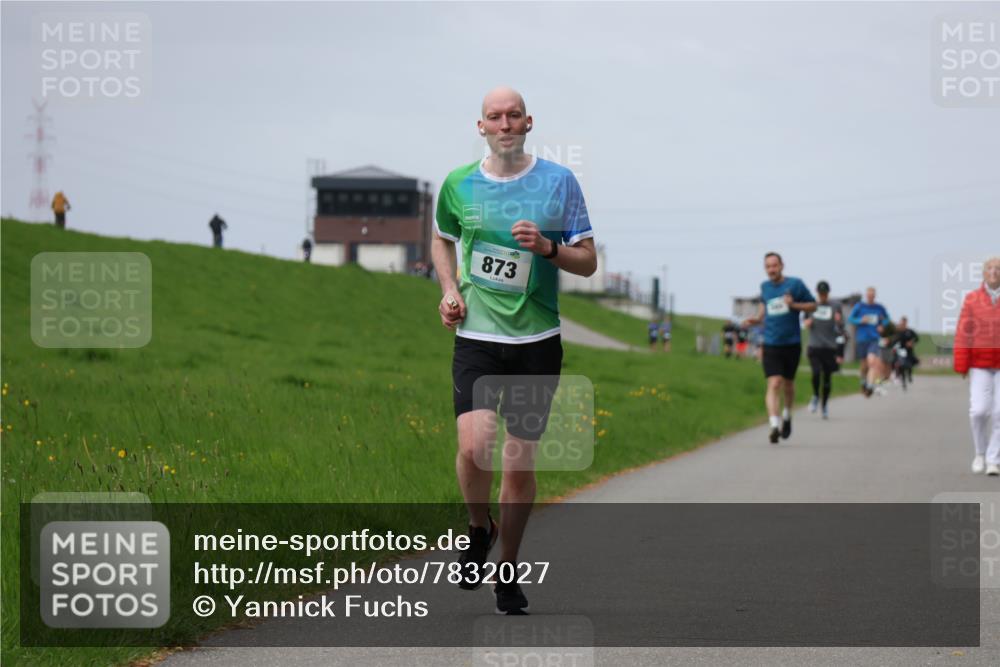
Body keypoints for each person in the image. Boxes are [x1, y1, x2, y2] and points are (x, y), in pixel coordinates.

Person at [431, 86, 597, 613]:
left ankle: (507, 569)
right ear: (480, 126)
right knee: (474, 446)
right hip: (477, 337)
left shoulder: (559, 182)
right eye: (493, 117)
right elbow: (441, 239)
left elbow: (588, 261)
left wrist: (548, 248)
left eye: (513, 116)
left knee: (519, 468)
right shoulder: (458, 184)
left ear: (528, 123)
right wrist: (450, 291)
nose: (504, 124)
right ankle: (479, 528)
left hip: (537, 342)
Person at [742, 252, 816, 443]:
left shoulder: (795, 284)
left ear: (782, 265)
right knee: (774, 383)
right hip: (771, 343)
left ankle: (787, 416)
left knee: (788, 385)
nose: (771, 270)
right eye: (768, 266)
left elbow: (813, 306)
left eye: (774, 266)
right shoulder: (764, 287)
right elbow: (763, 311)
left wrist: (794, 305)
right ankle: (774, 425)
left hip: (791, 343)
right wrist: (756, 320)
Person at [954, 256, 1000, 476]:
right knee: (979, 411)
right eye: (990, 268)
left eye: (998, 269)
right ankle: (980, 453)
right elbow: (964, 332)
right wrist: (962, 364)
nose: (994, 272)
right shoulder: (972, 299)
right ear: (983, 273)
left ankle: (993, 459)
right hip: (980, 363)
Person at [803, 281, 843, 419]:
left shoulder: (836, 305)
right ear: (817, 293)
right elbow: (805, 322)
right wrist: (807, 323)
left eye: (825, 294)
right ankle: (815, 396)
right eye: (820, 294)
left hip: (829, 347)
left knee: (827, 378)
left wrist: (838, 321)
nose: (823, 296)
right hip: (814, 345)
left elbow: (841, 325)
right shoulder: (811, 305)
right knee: (815, 373)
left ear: (828, 293)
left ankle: (824, 405)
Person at [848, 287, 890, 397]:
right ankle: (863, 383)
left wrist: (882, 325)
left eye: (872, 295)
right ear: (866, 296)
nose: (871, 297)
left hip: (874, 339)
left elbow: (887, 319)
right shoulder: (860, 306)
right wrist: (860, 320)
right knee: (864, 365)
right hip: (862, 338)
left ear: (874, 296)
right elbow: (850, 319)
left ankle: (870, 386)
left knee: (872, 362)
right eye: (869, 295)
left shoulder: (879, 308)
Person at [893, 316, 920, 387]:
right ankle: (898, 376)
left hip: (909, 351)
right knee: (898, 363)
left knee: (910, 363)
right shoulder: (897, 331)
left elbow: (916, 338)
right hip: (899, 351)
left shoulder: (910, 331)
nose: (903, 324)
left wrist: (911, 342)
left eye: (904, 323)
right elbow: (893, 340)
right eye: (902, 323)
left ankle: (909, 375)